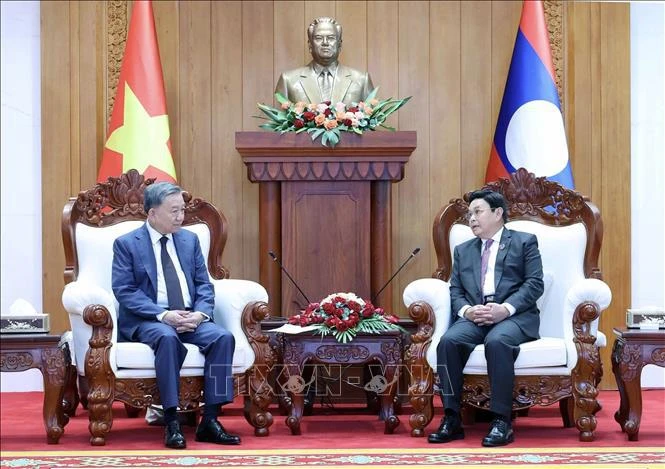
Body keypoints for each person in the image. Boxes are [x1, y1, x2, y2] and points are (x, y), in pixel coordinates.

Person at [112, 182, 240, 449]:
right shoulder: (127, 244)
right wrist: (163, 315)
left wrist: (201, 314)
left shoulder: (189, 240)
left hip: (189, 316)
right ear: (152, 213)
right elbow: (125, 291)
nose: (181, 217)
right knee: (167, 338)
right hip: (149, 319)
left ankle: (211, 420)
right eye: (174, 211)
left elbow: (204, 284)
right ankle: (172, 421)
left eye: (182, 210)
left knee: (222, 338)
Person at [428, 189, 544, 447]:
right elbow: (455, 290)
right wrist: (467, 311)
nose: (471, 219)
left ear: (498, 213)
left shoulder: (524, 242)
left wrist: (506, 308)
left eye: (477, 212)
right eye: (469, 214)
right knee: (448, 342)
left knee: (497, 342)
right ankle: (451, 418)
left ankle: (501, 421)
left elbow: (535, 284)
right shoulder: (463, 250)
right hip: (475, 315)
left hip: (513, 317)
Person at [274, 17, 374, 106]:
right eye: (318, 38)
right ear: (310, 45)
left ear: (339, 44)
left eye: (331, 38)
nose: (325, 43)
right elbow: (279, 121)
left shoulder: (361, 80)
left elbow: (370, 120)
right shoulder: (288, 80)